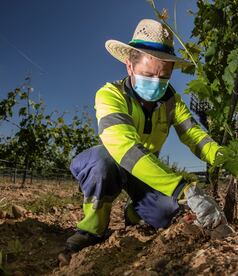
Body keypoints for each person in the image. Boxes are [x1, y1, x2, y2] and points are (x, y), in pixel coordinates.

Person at [63, 19, 229, 255]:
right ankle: (92, 229)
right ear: (130, 67)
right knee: (102, 163)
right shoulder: (110, 94)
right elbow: (125, 148)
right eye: (148, 74)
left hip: (147, 170)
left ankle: (134, 212)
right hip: (114, 161)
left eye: (164, 77)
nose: (156, 83)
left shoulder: (173, 102)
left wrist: (222, 156)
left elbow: (193, 134)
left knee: (166, 213)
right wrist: (182, 188)